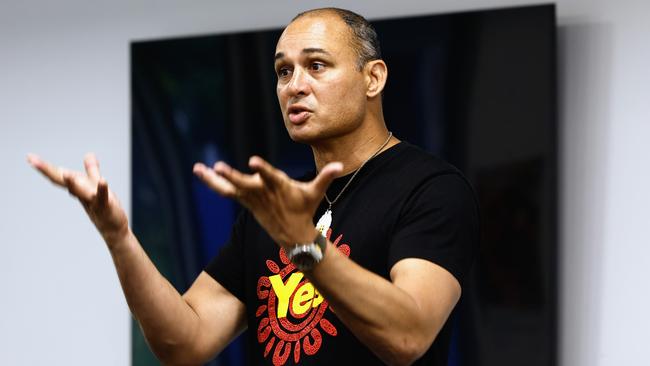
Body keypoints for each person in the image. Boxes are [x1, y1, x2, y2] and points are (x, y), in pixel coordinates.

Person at [28, 7, 478, 366]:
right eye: (284, 72)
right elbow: (184, 343)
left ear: (373, 78)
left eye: (316, 66)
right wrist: (120, 238)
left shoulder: (431, 188)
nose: (294, 86)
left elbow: (408, 335)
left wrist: (301, 242)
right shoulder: (275, 207)